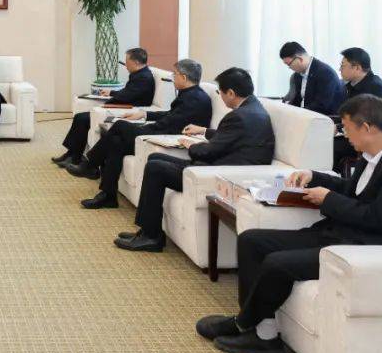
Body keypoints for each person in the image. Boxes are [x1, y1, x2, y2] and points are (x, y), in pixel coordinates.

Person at [196, 94, 382, 353]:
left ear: (367, 128)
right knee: (251, 240)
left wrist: (328, 199)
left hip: (365, 249)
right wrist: (314, 176)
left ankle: (244, 325)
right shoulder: (373, 155)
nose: (344, 135)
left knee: (277, 263)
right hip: (341, 233)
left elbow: (378, 218)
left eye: (347, 128)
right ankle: (262, 331)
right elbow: (352, 190)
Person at [116, 67, 275, 252]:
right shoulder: (252, 109)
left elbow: (208, 152)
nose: (220, 97)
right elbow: (231, 136)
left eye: (220, 93)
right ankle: (146, 230)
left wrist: (191, 146)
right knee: (155, 158)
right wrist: (204, 131)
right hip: (221, 165)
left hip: (218, 172)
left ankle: (151, 236)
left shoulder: (239, 116)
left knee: (156, 168)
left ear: (231, 93)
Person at [74, 59, 212, 209]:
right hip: (162, 130)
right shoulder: (191, 94)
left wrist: (145, 127)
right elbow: (171, 115)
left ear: (184, 77)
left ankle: (90, 164)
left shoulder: (194, 99)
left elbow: (171, 124)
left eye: (175, 74)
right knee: (115, 142)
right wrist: (144, 114)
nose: (173, 78)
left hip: (164, 136)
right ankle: (108, 195)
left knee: (120, 125)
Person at [52, 48, 156, 166]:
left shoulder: (143, 78)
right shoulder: (140, 74)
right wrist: (111, 93)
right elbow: (128, 92)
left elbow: (126, 96)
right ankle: (72, 154)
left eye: (127, 61)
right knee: (80, 118)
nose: (125, 65)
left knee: (82, 118)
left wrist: (108, 103)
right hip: (119, 107)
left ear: (136, 62)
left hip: (126, 110)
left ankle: (74, 156)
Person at [332, 47, 382, 172]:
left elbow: (376, 122)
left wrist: (340, 127)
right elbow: (348, 114)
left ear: (357, 68)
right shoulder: (352, 86)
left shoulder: (376, 88)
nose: (340, 70)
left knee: (331, 147)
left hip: (368, 137)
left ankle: (334, 181)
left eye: (343, 66)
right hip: (353, 132)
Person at [279, 41, 345, 115]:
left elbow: (321, 105)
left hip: (326, 117)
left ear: (300, 59)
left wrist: (300, 113)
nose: (289, 68)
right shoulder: (297, 76)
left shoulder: (325, 73)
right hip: (309, 115)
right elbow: (297, 100)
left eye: (289, 64)